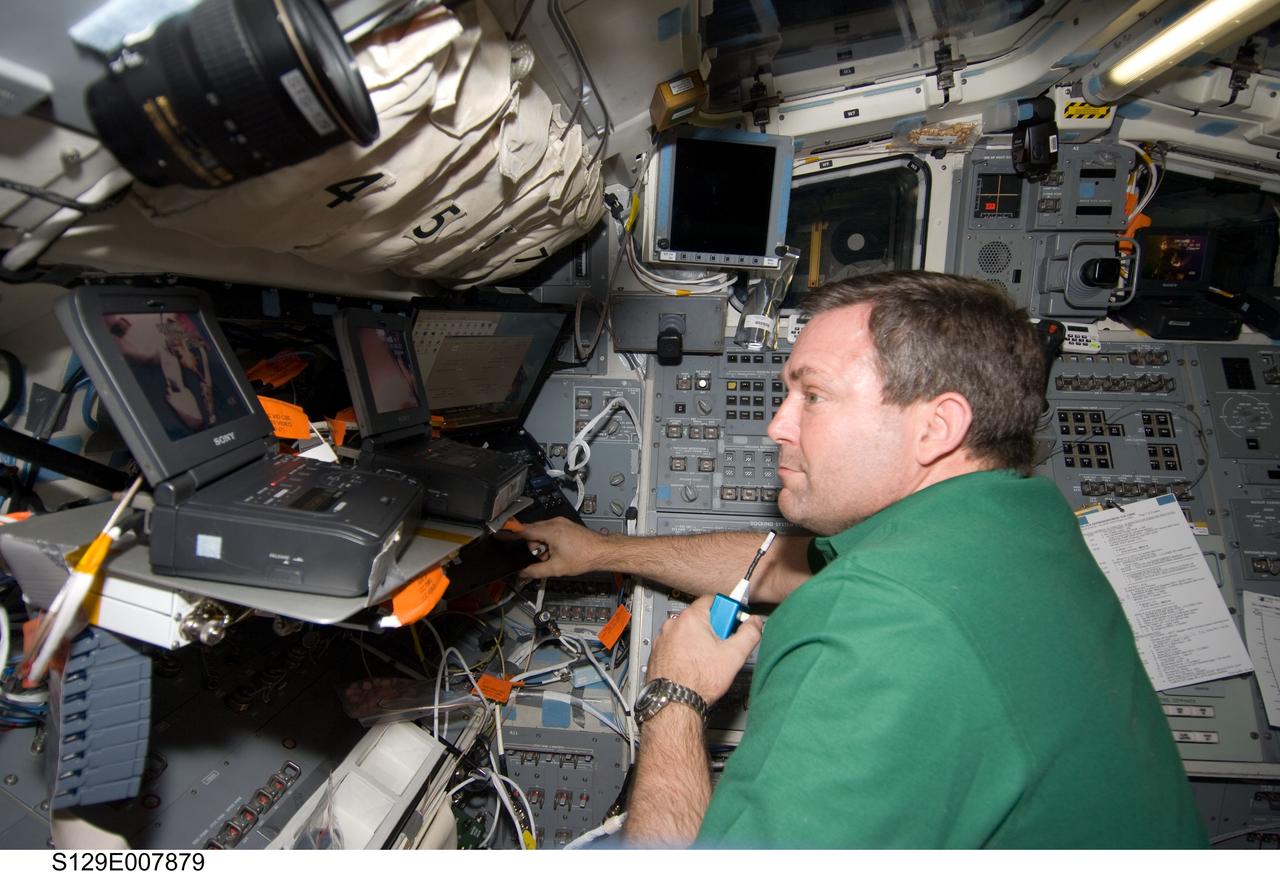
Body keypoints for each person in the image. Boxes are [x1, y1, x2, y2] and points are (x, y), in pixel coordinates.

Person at [511, 271, 1207, 849]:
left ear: (936, 427)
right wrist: (601, 551)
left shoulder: (876, 615)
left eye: (812, 396)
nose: (776, 423)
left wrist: (675, 697)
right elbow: (779, 566)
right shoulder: (1023, 523)